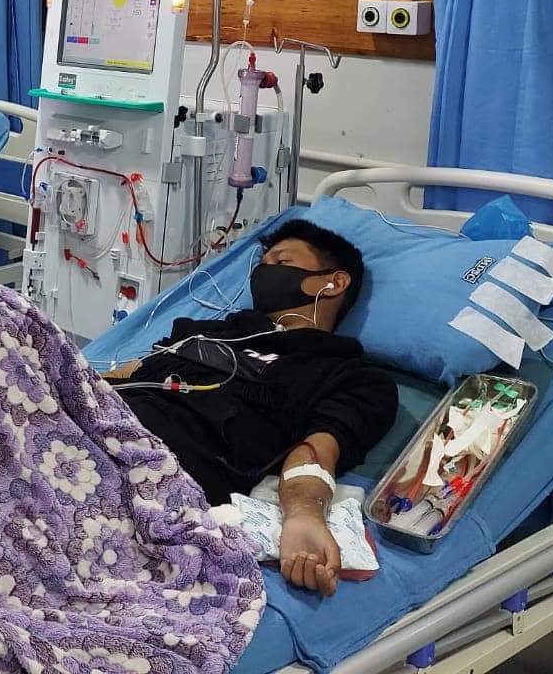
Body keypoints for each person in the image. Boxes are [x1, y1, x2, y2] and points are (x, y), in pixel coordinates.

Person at [101, 219, 398, 596]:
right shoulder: (203, 332)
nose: (264, 272)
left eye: (282, 262)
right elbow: (122, 376)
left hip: (143, 470)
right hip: (89, 423)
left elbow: (315, 455)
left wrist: (303, 514)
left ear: (334, 282)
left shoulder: (349, 376)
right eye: (262, 264)